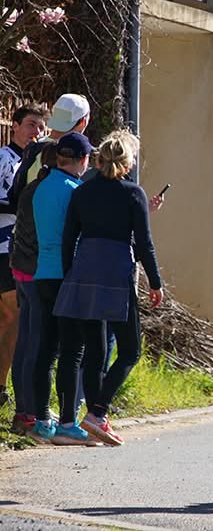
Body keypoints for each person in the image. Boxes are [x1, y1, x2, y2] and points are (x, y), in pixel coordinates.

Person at [54, 130, 162, 446]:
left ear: (99, 160)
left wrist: (68, 275)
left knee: (94, 350)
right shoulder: (133, 194)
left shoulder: (82, 192)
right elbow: (144, 243)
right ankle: (97, 412)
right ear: (127, 163)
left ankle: (93, 422)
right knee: (130, 350)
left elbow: (68, 238)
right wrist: (155, 283)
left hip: (84, 270)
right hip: (117, 274)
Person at [28, 132, 95, 445]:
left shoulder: (42, 187)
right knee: (72, 349)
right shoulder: (75, 191)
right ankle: (68, 423)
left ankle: (42, 419)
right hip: (67, 276)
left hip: (42, 274)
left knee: (46, 348)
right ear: (82, 161)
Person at [0, 102, 48, 410]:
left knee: (12, 318)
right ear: (15, 125)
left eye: (41, 127)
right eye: (31, 124)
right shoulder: (4, 159)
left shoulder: (40, 162)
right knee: (12, 316)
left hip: (21, 251)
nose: (37, 132)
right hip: (2, 247)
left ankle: (3, 386)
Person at [8, 143, 56, 436]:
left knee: (26, 342)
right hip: (38, 273)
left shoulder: (29, 189)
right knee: (39, 346)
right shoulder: (50, 192)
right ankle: (36, 414)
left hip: (21, 271)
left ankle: (23, 413)